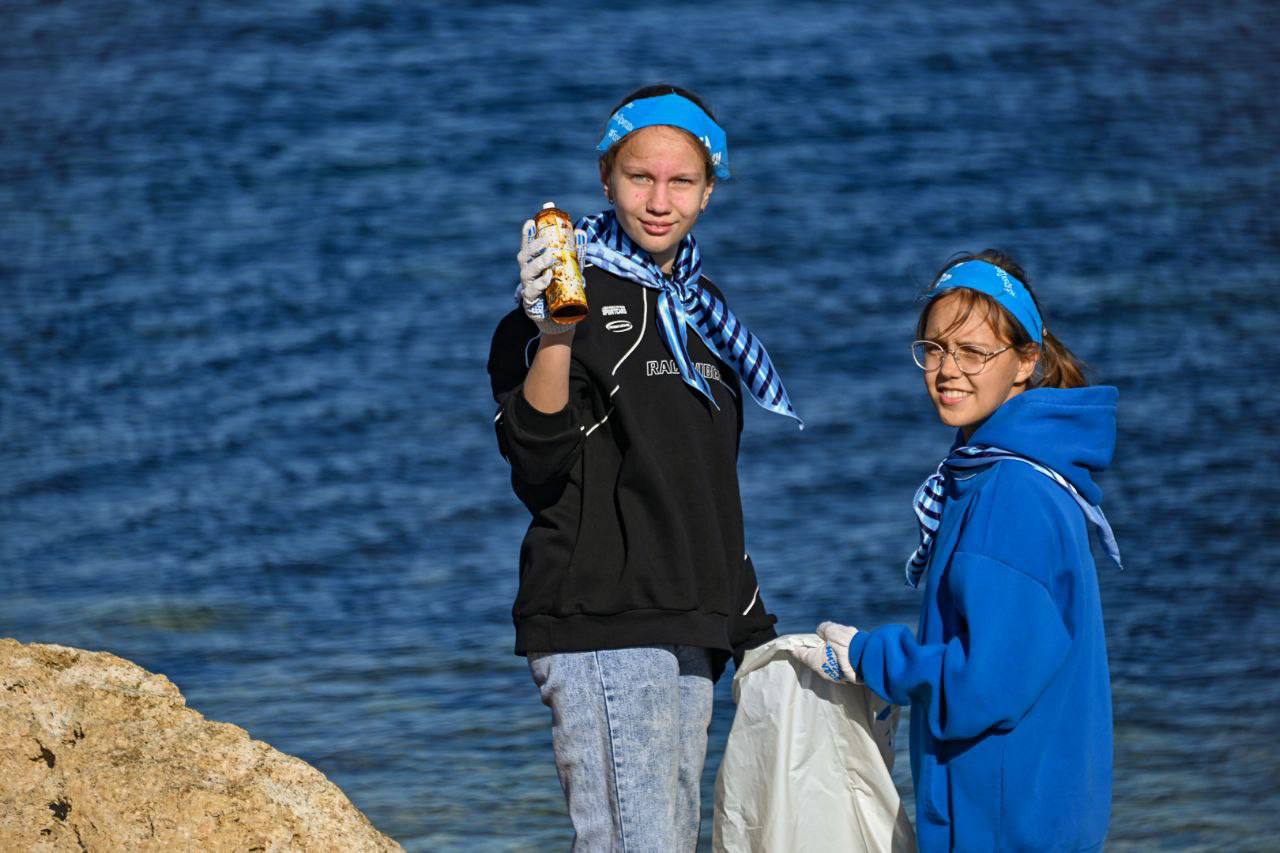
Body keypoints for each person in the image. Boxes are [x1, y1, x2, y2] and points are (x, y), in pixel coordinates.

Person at [487, 84, 801, 851]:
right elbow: (534, 461)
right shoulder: (560, 291)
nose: (660, 201)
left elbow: (704, 484)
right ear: (606, 177)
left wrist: (755, 632)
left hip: (691, 624)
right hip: (603, 621)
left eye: (681, 181)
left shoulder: (702, 311)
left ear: (709, 188)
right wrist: (553, 333)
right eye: (639, 177)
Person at [796, 250, 1121, 852]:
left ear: (1027, 361)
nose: (948, 370)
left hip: (1002, 827)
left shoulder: (1010, 495)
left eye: (974, 352)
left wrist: (871, 657)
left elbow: (983, 684)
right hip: (1033, 815)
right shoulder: (1018, 474)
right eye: (935, 348)